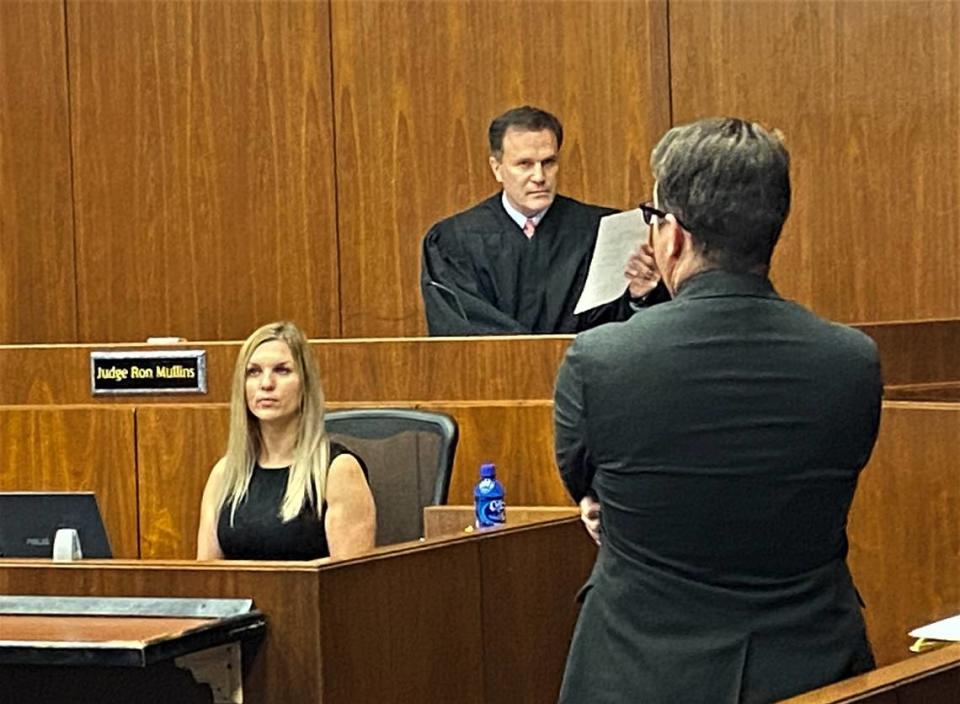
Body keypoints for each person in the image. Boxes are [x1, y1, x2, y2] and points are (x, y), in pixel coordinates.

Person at [554, 118, 882, 703]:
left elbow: (587, 485)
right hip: (814, 667)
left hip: (638, 671)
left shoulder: (603, 358)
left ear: (672, 236)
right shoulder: (852, 361)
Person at [420, 105, 667, 335]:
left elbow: (617, 325)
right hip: (491, 376)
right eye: (524, 164)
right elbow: (460, 326)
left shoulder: (600, 230)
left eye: (548, 162)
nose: (539, 176)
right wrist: (534, 359)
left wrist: (638, 297)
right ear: (497, 168)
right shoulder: (453, 241)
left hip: (582, 375)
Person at [197, 321, 375, 560]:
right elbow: (209, 581)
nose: (266, 384)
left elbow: (350, 581)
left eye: (282, 370)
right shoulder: (225, 474)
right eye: (254, 372)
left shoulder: (337, 470)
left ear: (305, 384)